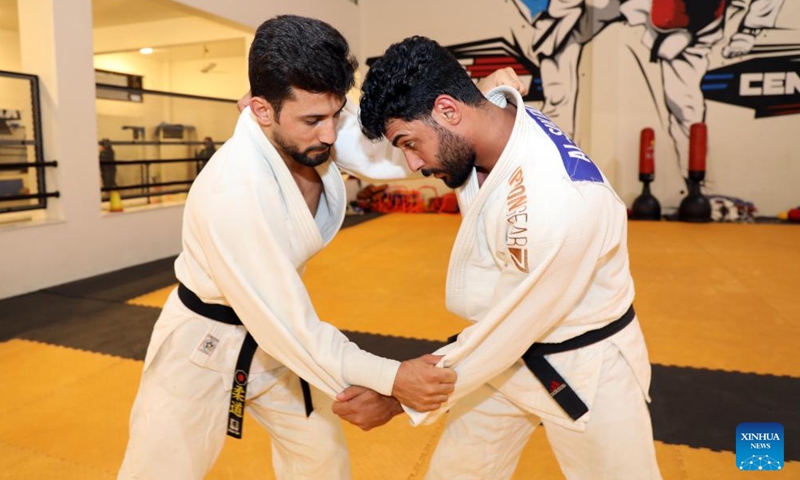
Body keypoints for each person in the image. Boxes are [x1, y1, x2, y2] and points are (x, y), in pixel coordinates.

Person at [116, 16, 458, 480]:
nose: (330, 133)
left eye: (336, 113)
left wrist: (481, 110)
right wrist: (391, 378)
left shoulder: (312, 123)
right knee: (159, 471)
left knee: (321, 461)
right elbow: (290, 326)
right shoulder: (232, 192)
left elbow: (386, 152)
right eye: (314, 120)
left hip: (274, 339)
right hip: (203, 343)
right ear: (260, 110)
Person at [350, 35, 663, 479]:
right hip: (503, 360)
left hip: (586, 368)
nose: (412, 164)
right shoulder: (493, 114)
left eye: (409, 143)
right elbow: (491, 89)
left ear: (448, 110)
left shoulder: (561, 205)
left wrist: (399, 395)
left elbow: (511, 330)